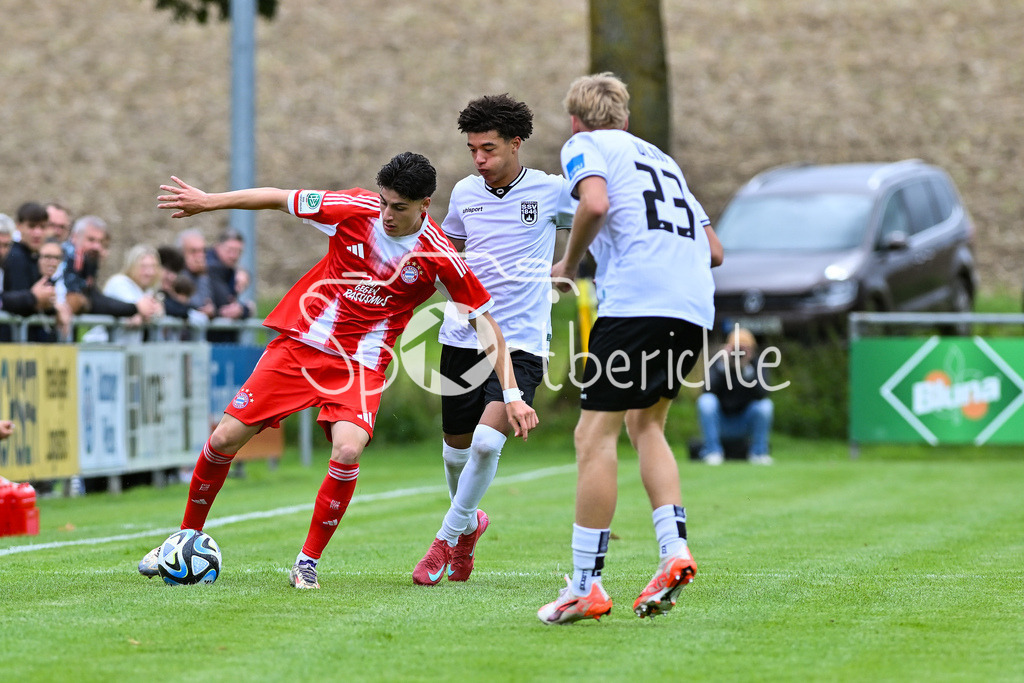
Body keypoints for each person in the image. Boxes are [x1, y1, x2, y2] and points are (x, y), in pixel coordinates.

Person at [137, 151, 538, 590]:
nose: (386, 214)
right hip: (300, 346)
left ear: (425, 205)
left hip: (361, 366)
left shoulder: (439, 256)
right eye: (383, 202)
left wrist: (514, 394)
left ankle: (307, 563)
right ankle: (184, 537)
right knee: (223, 438)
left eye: (399, 208)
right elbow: (277, 197)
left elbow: (485, 322)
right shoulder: (353, 209)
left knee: (348, 450)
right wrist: (209, 201)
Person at [540, 73, 724, 624]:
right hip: (692, 310)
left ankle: (584, 585)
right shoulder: (665, 162)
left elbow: (593, 204)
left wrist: (569, 266)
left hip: (638, 306)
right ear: (626, 119)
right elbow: (714, 250)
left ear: (576, 120)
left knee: (592, 435)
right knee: (647, 426)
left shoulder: (585, 146)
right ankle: (674, 552)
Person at [411, 94, 572, 586]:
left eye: (489, 149)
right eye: (472, 150)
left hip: (522, 340)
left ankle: (445, 538)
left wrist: (570, 269)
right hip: (463, 335)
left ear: (516, 144)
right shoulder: (464, 193)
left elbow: (595, 220)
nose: (480, 159)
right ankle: (470, 526)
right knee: (455, 451)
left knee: (485, 444)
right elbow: (450, 252)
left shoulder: (551, 192)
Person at [696, 327, 774, 465]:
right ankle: (713, 452)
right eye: (736, 348)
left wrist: (746, 370)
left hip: (745, 422)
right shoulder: (718, 363)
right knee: (706, 401)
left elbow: (762, 393)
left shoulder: (758, 364)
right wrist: (723, 366)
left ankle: (759, 453)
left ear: (752, 350)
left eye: (744, 349)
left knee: (765, 406)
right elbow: (706, 389)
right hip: (722, 422)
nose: (739, 353)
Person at [102, 244, 166, 343]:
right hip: (102, 347)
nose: (149, 272)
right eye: (143, 266)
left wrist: (156, 312)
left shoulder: (148, 290)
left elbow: (148, 313)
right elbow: (137, 311)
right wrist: (154, 312)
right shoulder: (119, 282)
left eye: (153, 266)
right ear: (132, 266)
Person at [205, 228, 252, 342]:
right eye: (230, 250)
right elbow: (225, 304)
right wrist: (246, 309)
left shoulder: (228, 269)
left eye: (238, 252)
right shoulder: (213, 267)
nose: (234, 256)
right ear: (217, 247)